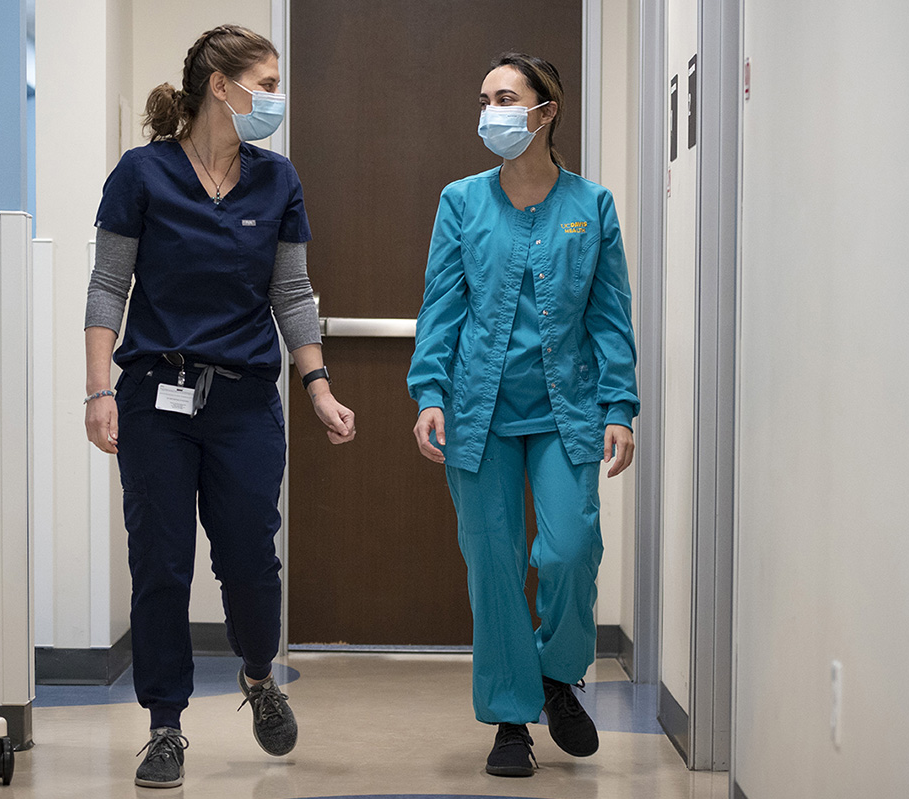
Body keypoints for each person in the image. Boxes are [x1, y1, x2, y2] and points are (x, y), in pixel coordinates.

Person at [83, 23, 356, 789]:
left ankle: (258, 675)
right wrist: (99, 388)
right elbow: (109, 286)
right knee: (161, 564)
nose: (273, 98)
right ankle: (165, 725)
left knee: (249, 560)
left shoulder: (278, 181)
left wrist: (319, 386)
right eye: (265, 84)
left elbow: (291, 293)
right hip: (152, 400)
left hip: (242, 401)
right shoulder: (141, 174)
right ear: (219, 85)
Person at [407, 52, 639, 778]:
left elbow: (610, 318)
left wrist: (620, 405)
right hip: (479, 414)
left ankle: (556, 675)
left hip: (567, 412)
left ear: (547, 110)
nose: (490, 112)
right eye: (485, 98)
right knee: (495, 567)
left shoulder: (591, 206)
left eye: (505, 97)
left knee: (570, 551)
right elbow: (441, 307)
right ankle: (510, 717)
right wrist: (429, 394)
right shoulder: (460, 201)